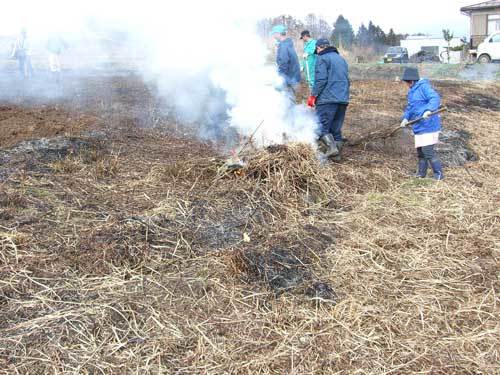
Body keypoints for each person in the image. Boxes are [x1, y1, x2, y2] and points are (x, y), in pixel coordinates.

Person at [307, 38, 350, 160]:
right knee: (336, 130)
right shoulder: (341, 59)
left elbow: (321, 80)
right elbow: (347, 80)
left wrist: (313, 95)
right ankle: (336, 156)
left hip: (327, 99)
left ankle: (332, 149)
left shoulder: (322, 58)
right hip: (343, 99)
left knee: (321, 127)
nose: (317, 52)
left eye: (317, 49)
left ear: (320, 48)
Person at [400, 67, 444, 180]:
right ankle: (421, 174)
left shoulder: (424, 87)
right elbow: (410, 107)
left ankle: (438, 175)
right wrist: (405, 118)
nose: (407, 84)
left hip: (428, 125)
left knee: (428, 151)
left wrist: (428, 110)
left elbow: (435, 98)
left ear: (412, 81)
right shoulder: (412, 92)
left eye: (408, 82)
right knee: (421, 152)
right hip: (419, 126)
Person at [270, 25, 301, 98]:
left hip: (288, 78)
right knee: (290, 98)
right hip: (292, 77)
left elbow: (283, 63)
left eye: (274, 34)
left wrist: (280, 77)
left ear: (278, 33)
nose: (273, 36)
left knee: (286, 98)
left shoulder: (283, 46)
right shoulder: (288, 44)